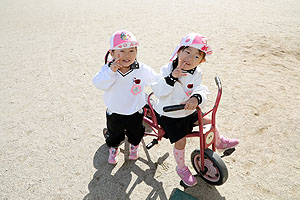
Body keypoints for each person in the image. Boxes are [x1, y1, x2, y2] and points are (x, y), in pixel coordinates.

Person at [151, 33, 239, 186]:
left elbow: (200, 89)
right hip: (169, 115)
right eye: (187, 52)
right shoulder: (166, 69)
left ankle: (218, 141)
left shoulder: (196, 73)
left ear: (201, 61)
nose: (190, 58)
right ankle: (181, 168)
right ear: (179, 51)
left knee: (210, 120)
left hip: (189, 112)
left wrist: (196, 98)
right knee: (181, 141)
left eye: (196, 56)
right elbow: (159, 91)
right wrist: (172, 78)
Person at [92, 30, 157, 164]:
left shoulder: (141, 69)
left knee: (136, 132)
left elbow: (156, 80)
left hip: (135, 109)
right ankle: (113, 149)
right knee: (114, 134)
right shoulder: (108, 69)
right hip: (115, 110)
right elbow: (98, 83)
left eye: (132, 51)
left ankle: (134, 147)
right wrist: (111, 72)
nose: (127, 55)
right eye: (121, 51)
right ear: (112, 53)